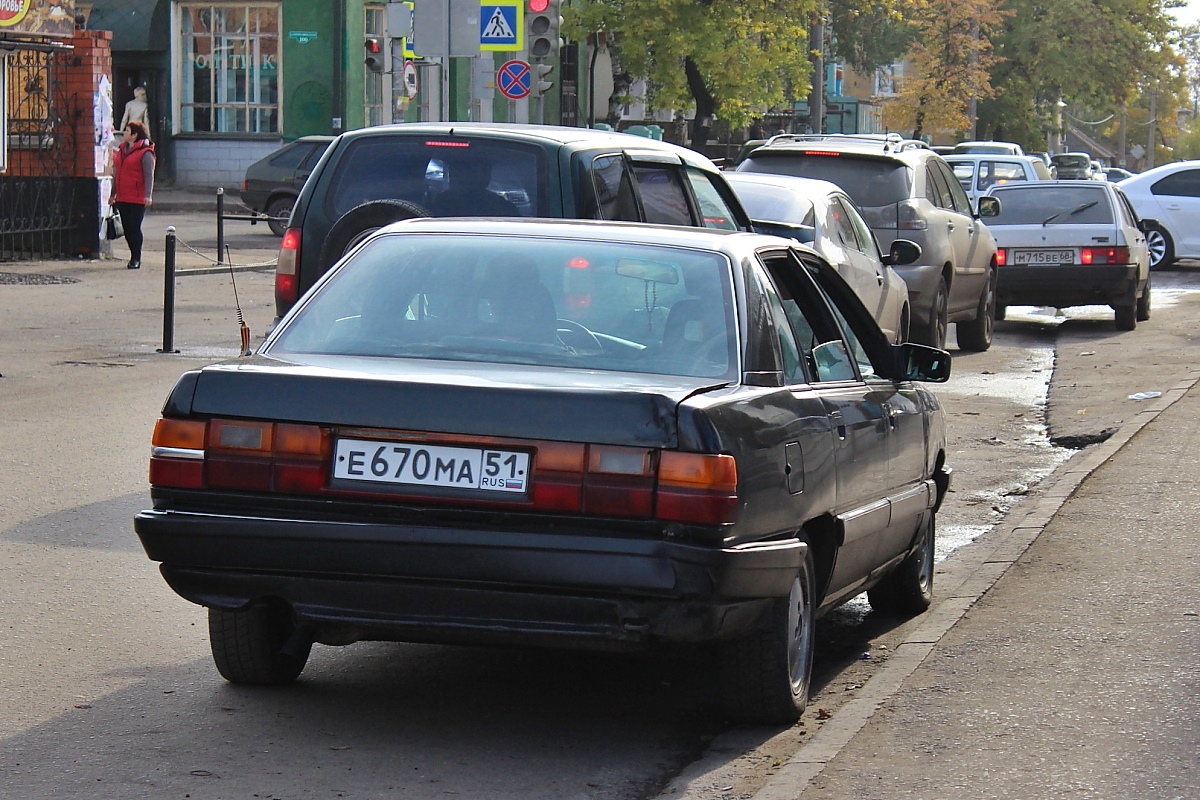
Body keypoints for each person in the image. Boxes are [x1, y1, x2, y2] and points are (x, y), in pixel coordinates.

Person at [110, 120, 156, 269]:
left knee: (134, 227)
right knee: (127, 227)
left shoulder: (146, 152)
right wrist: (113, 194)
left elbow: (149, 175)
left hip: (137, 196)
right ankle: (132, 253)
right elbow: (117, 173)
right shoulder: (121, 150)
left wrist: (148, 195)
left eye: (127, 131)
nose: (124, 133)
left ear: (135, 135)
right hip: (123, 195)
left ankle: (136, 257)